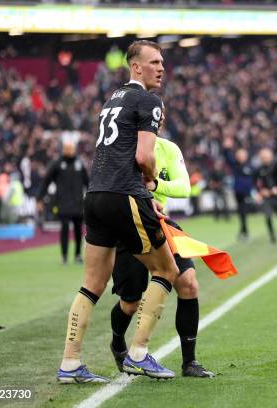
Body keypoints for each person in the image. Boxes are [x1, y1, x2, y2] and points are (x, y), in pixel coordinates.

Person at [57, 40, 179, 383]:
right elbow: (143, 156)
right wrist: (151, 182)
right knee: (167, 271)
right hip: (124, 194)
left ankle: (69, 363)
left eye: (162, 62)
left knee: (92, 284)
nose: (161, 68)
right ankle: (139, 353)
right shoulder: (149, 100)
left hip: (95, 196)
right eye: (154, 62)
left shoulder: (111, 100)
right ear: (135, 66)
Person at [109, 104, 215, 378]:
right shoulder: (123, 148)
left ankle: (189, 362)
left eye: (160, 117)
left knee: (189, 284)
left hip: (161, 224)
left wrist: (155, 186)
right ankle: (118, 339)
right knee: (130, 303)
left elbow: (184, 188)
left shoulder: (169, 149)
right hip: (131, 225)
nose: (157, 121)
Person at [37, 140, 89, 264]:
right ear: (63, 149)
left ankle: (77, 255)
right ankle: (64, 256)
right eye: (67, 148)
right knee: (64, 229)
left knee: (78, 230)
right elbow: (46, 181)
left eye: (71, 148)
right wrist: (39, 198)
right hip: (63, 202)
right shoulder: (57, 164)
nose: (69, 150)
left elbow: (88, 183)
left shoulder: (79, 164)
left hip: (77, 203)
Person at [222, 137, 255, 241]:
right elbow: (227, 156)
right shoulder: (235, 165)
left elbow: (253, 178)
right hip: (238, 192)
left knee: (244, 212)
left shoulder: (250, 165)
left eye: (243, 155)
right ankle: (244, 232)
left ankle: (243, 231)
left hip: (247, 193)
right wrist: (226, 148)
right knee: (241, 212)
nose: (241, 157)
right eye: (240, 155)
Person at [255, 147, 277, 244]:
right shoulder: (259, 170)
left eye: (266, 157)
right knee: (268, 216)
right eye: (263, 157)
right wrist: (260, 192)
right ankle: (272, 236)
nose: (265, 159)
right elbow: (255, 183)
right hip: (266, 196)